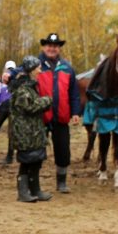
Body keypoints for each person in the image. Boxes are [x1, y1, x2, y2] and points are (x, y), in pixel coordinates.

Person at [37, 32, 82, 193]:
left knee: (63, 150)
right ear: (44, 47)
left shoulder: (67, 67)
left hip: (62, 116)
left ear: (59, 48)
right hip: (40, 116)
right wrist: (7, 76)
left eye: (55, 46)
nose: (52, 48)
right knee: (35, 150)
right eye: (49, 45)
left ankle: (61, 182)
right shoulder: (36, 65)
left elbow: (74, 93)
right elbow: (18, 73)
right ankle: (33, 182)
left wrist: (76, 112)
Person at [8, 56, 53, 202]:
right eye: (38, 68)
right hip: (25, 133)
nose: (40, 70)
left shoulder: (30, 86)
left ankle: (36, 190)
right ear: (31, 70)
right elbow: (29, 107)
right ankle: (23, 193)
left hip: (33, 132)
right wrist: (47, 100)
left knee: (36, 161)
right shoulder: (22, 88)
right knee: (26, 162)